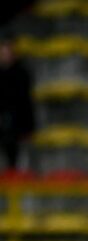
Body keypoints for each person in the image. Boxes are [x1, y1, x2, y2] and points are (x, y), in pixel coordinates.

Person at [0, 35, 36, 170]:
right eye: (3, 52)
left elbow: (26, 102)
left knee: (20, 161)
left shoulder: (21, 73)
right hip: (3, 123)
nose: (5, 55)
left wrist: (29, 127)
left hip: (17, 124)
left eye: (8, 52)